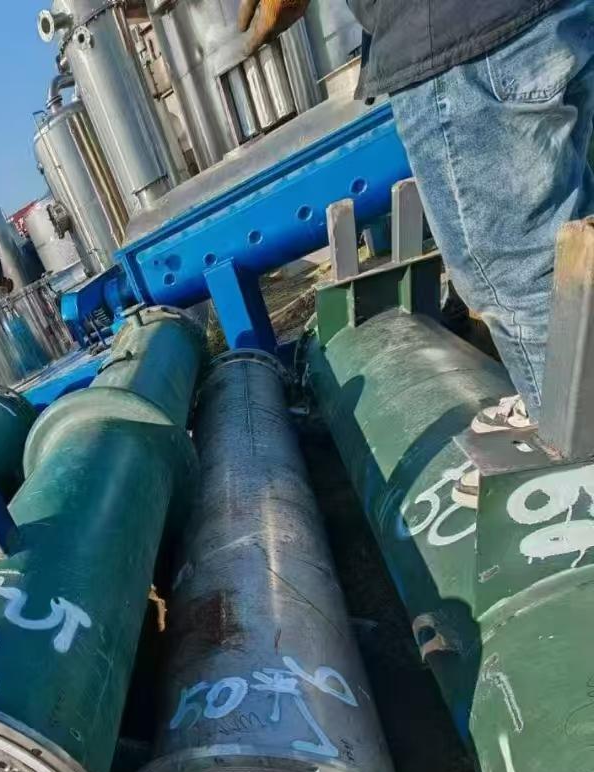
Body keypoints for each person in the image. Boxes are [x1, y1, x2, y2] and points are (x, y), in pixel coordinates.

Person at [237, 0, 594, 448]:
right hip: (544, 18)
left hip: (460, 39)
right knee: (572, 247)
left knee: (518, 281)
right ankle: (561, 411)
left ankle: (574, 451)